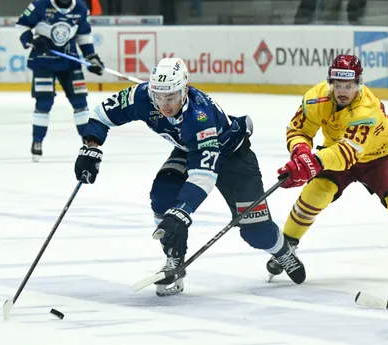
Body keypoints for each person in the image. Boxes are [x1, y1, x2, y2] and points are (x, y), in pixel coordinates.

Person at [73, 57, 306, 296]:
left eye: (171, 97)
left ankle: (282, 251)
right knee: (163, 199)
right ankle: (174, 258)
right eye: (159, 97)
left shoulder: (199, 115)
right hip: (190, 150)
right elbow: (101, 114)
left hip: (233, 157)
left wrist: (183, 210)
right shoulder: (142, 96)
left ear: (184, 90)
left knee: (255, 232)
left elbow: (204, 175)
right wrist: (92, 147)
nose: (164, 105)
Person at [267, 54, 388, 281]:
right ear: (330, 83)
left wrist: (312, 163)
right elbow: (299, 130)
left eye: (348, 86)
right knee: (314, 193)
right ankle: (285, 248)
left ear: (358, 84)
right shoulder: (315, 98)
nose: (342, 91)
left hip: (379, 156)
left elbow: (347, 154)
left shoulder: (368, 109)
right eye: (337, 85)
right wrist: (301, 152)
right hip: (335, 151)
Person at [16, 0, 104, 162]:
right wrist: (32, 40)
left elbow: (84, 35)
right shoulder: (39, 5)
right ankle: (37, 141)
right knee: (44, 103)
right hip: (43, 61)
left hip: (70, 62)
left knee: (80, 103)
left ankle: (87, 143)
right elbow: (22, 25)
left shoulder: (81, 8)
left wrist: (92, 58)